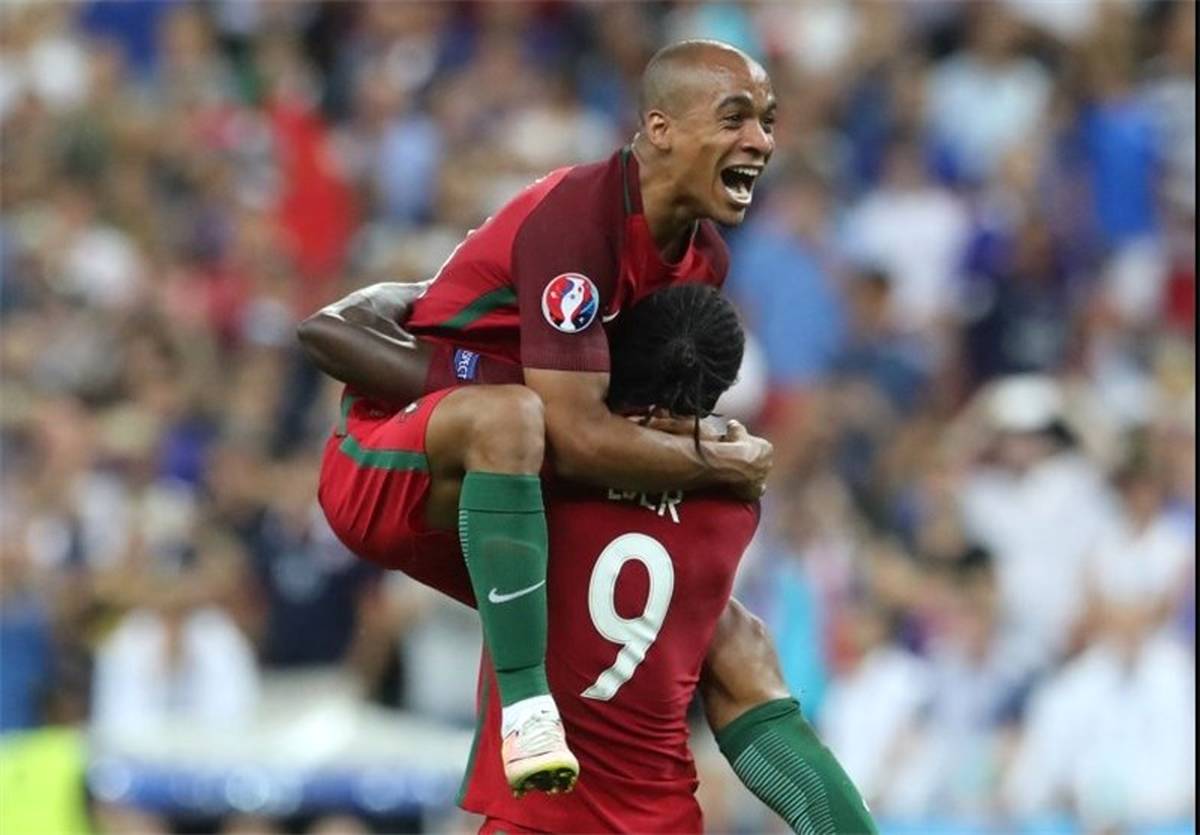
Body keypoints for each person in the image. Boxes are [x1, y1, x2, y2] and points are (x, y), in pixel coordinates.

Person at [301, 39, 775, 795]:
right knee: (515, 417)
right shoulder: (580, 221)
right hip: (392, 468)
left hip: (516, 492)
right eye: (735, 118)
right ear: (660, 128)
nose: (761, 140)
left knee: (730, 636)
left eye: (767, 121)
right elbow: (581, 437)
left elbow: (630, 416)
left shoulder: (702, 259)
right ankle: (527, 712)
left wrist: (702, 445)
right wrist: (719, 461)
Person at [302, 283, 877, 833]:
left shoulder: (535, 472)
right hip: (664, 821)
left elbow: (340, 340)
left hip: (537, 818)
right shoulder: (731, 512)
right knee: (731, 637)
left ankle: (528, 704)